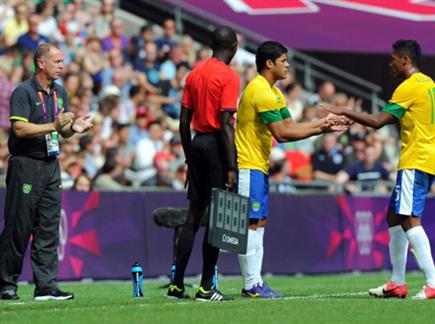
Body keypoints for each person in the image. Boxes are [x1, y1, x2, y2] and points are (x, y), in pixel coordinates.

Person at [323, 40, 435, 300]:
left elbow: (377, 122)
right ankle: (397, 283)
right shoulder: (429, 83)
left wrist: (344, 110)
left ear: (405, 60)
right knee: (394, 217)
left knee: (409, 219)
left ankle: (431, 282)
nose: (390, 63)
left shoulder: (407, 87)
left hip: (415, 160)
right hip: (426, 158)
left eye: (393, 58)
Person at [236, 41, 345, 299]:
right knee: (250, 224)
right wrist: (322, 126)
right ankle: (250, 284)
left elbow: (291, 126)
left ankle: (255, 282)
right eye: (283, 60)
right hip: (246, 165)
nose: (288, 65)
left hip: (258, 165)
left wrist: (322, 125)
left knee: (259, 222)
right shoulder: (260, 90)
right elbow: (283, 134)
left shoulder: (275, 92)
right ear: (269, 63)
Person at [0, 44, 93, 301]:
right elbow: (19, 128)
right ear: (41, 63)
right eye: (58, 61)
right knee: (19, 226)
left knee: (49, 227)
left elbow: (59, 131)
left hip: (51, 164)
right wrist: (52, 125)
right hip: (26, 164)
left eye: (63, 61)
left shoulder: (60, 92)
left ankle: (46, 286)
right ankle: (6, 283)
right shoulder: (23, 92)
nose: (63, 66)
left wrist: (74, 127)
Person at [168, 26, 239, 302]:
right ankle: (206, 286)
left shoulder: (194, 74)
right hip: (216, 148)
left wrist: (188, 157)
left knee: (192, 216)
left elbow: (184, 121)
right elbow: (225, 125)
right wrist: (231, 167)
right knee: (218, 218)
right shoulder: (229, 77)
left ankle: (176, 285)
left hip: (196, 144)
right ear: (232, 47)